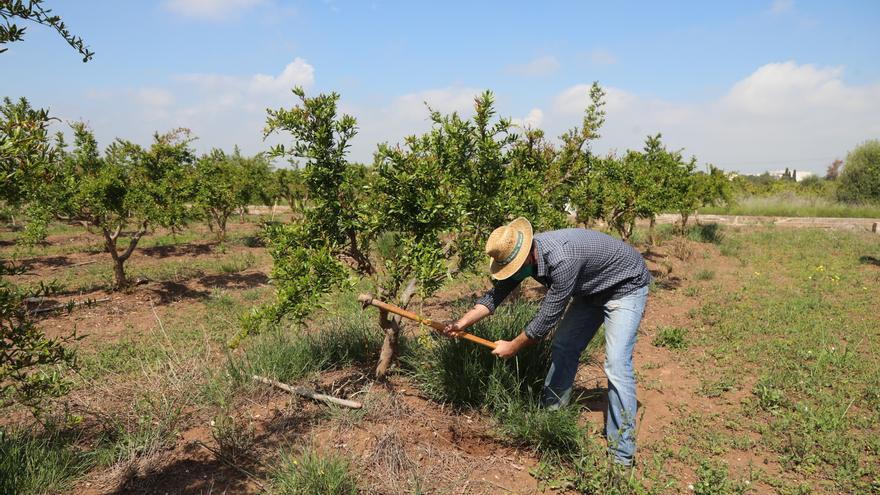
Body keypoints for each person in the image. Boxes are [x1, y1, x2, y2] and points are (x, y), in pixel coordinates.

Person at [445, 217, 651, 466]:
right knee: (564, 345)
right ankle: (552, 415)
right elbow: (495, 296)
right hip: (590, 288)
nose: (512, 275)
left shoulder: (562, 259)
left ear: (527, 255)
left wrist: (512, 346)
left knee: (617, 365)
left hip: (625, 285)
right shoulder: (523, 257)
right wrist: (462, 323)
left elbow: (545, 320)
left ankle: (622, 452)